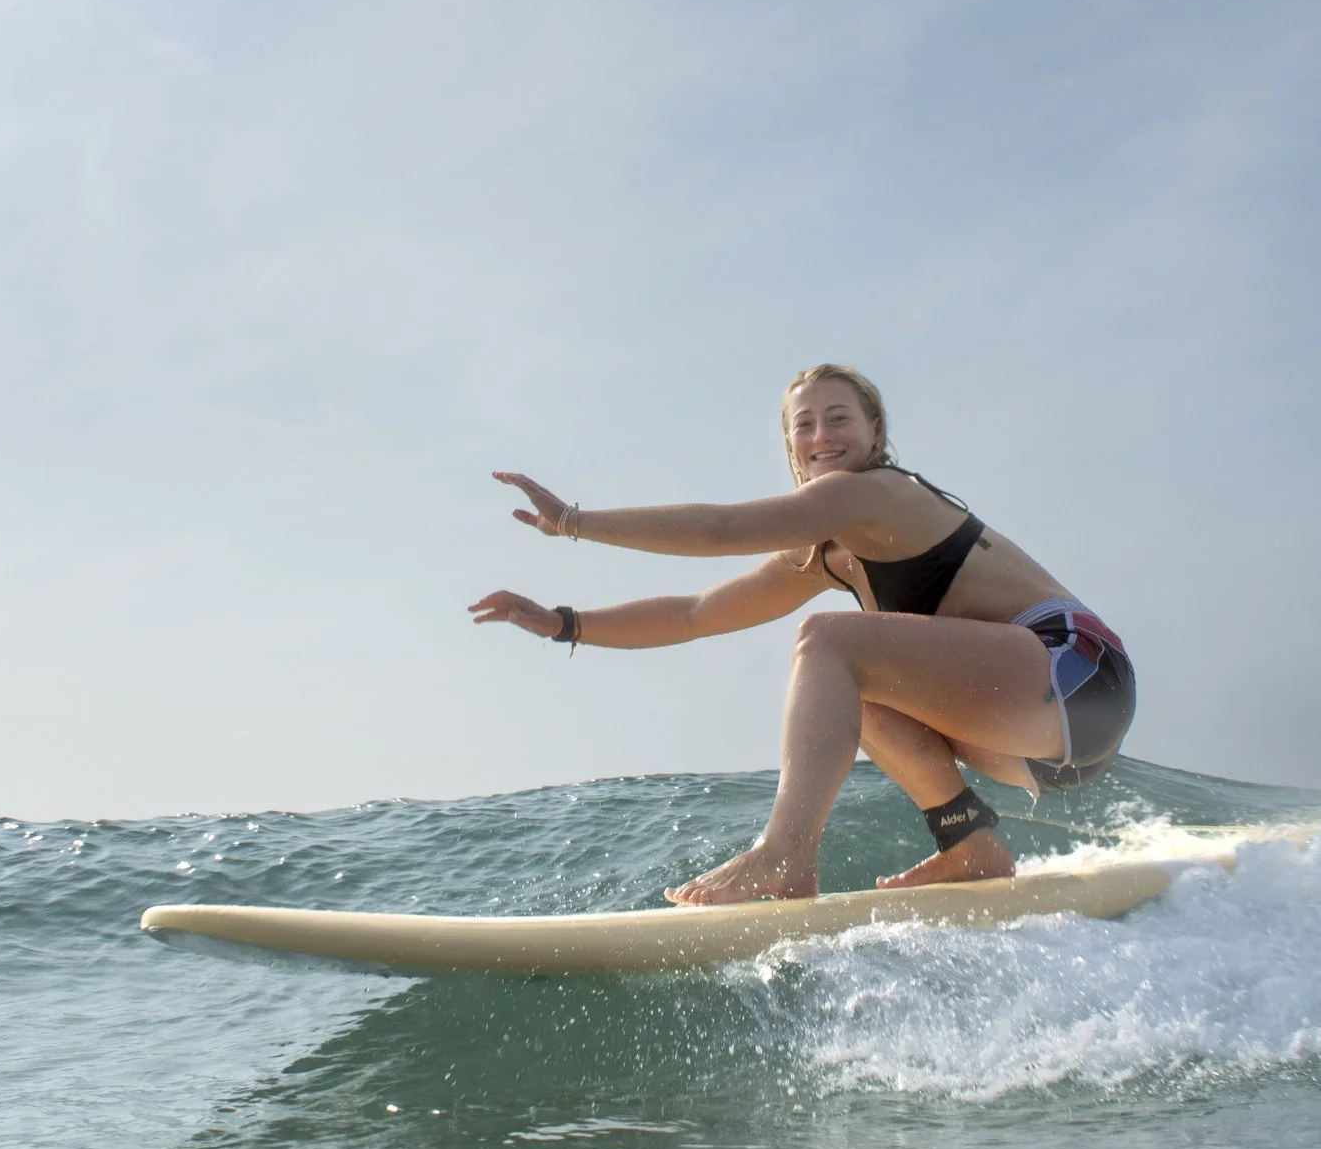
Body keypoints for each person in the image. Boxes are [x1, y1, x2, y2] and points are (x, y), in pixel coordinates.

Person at [468, 363, 1135, 906]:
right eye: (803, 423)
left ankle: (786, 850)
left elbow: (721, 530)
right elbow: (695, 613)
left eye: (839, 417)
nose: (821, 435)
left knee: (827, 640)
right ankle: (969, 843)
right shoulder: (823, 553)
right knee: (848, 685)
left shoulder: (877, 491)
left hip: (1078, 672)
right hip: (1039, 741)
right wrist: (565, 623)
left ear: (875, 432)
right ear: (789, 443)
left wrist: (575, 521)